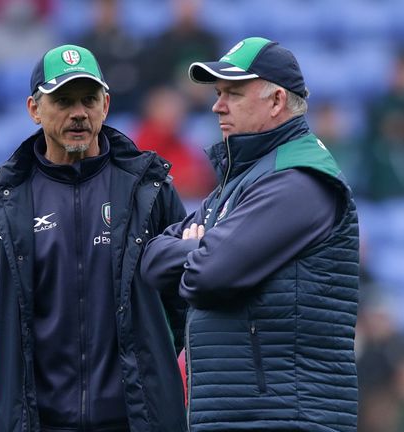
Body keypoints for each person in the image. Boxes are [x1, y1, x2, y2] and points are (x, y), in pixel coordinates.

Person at [140, 37, 360, 431]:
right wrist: (201, 247)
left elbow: (212, 273)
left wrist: (197, 246)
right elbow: (153, 260)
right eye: (218, 93)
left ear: (276, 101)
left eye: (233, 94)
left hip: (283, 417)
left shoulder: (299, 181)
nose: (216, 105)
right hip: (237, 414)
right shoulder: (241, 182)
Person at [0, 44, 188, 431]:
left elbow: (179, 302)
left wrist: (149, 359)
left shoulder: (150, 190)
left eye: (88, 99)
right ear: (34, 109)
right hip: (40, 421)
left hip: (134, 420)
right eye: (63, 101)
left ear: (106, 104)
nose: (78, 113)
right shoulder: (1, 200)